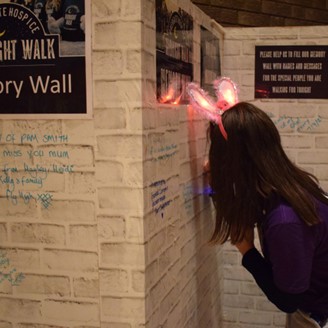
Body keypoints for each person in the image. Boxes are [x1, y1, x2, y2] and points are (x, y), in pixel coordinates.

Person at [207, 101, 328, 327]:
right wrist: (217, 186)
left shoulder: (285, 220)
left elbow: (288, 300)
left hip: (317, 315)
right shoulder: (289, 184)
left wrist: (247, 250)